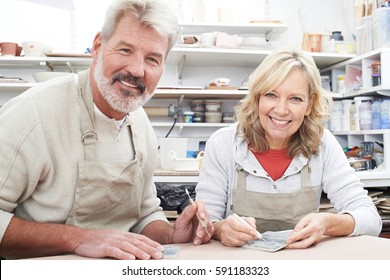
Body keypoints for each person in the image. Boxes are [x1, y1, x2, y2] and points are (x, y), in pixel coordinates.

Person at [0, 0, 212, 260]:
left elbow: (144, 214)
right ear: (99, 47)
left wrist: (170, 234)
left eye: (152, 59)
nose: (137, 70)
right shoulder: (33, 114)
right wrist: (78, 238)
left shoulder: (140, 123)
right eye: (125, 50)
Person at [195, 46, 382, 248]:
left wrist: (328, 223)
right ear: (257, 97)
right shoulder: (224, 144)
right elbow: (203, 224)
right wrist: (221, 229)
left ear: (310, 105)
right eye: (271, 95)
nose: (281, 110)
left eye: (295, 99)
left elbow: (371, 219)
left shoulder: (323, 144)